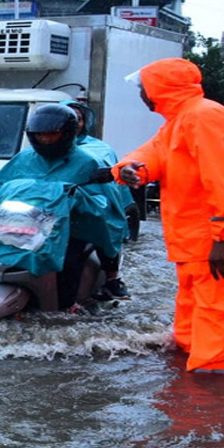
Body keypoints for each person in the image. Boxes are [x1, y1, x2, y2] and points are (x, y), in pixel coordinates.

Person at [115, 58, 224, 375]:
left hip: (217, 237)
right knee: (194, 303)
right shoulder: (180, 121)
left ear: (157, 89)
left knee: (218, 309)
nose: (141, 93)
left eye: (142, 88)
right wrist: (130, 168)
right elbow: (151, 154)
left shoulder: (204, 117)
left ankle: (210, 385)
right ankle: (187, 365)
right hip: (197, 235)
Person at [0, 103, 128, 309]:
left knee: (68, 258)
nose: (45, 139)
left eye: (51, 134)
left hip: (72, 223)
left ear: (66, 132)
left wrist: (79, 200)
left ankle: (68, 303)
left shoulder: (88, 161)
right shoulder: (24, 158)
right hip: (28, 219)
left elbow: (104, 202)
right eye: (40, 135)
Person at [62, 100, 132, 299]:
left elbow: (110, 182)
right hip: (51, 205)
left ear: (85, 123)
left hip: (90, 203)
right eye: (68, 118)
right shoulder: (37, 150)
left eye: (79, 119)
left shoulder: (99, 149)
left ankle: (112, 279)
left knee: (104, 223)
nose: (74, 123)